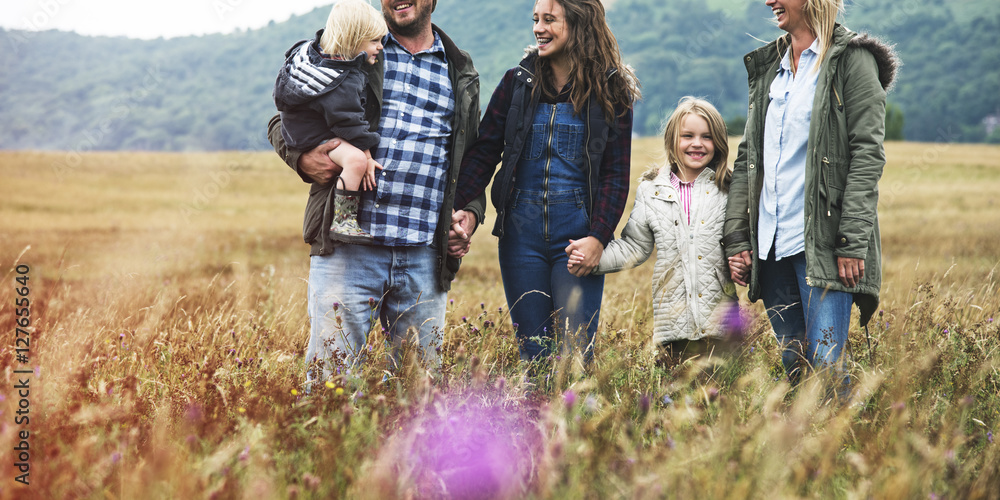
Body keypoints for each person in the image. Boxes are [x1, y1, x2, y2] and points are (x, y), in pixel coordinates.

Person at [267, 0, 485, 383]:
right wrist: (302, 158)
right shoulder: (354, 46)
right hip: (348, 251)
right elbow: (285, 117)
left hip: (423, 255)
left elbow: (470, 153)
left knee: (417, 395)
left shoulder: (459, 67)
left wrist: (470, 209)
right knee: (328, 386)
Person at [723, 0, 898, 397]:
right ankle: (803, 456)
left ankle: (839, 451)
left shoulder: (853, 62)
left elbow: (867, 155)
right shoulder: (772, 66)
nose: (770, 1)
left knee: (826, 366)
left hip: (823, 243)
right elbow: (749, 157)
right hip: (771, 245)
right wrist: (737, 240)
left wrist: (852, 241)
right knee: (795, 364)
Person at [452, 0, 640, 364]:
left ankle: (573, 422)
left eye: (550, 20)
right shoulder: (516, 83)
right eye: (536, 19)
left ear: (579, 24)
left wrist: (599, 237)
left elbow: (616, 175)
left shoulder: (610, 89)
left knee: (573, 358)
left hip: (577, 240)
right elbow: (485, 152)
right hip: (520, 239)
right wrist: (459, 208)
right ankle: (536, 420)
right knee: (534, 356)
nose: (539, 28)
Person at [568, 97, 737, 365]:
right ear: (672, 140)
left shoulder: (728, 189)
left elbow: (741, 243)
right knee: (676, 395)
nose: (697, 143)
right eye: (688, 136)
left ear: (718, 142)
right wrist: (593, 258)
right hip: (672, 324)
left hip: (722, 323)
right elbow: (634, 246)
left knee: (723, 394)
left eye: (707, 136)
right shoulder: (652, 191)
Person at [273, 0, 388, 244]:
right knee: (355, 160)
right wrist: (366, 155)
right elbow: (349, 123)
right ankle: (344, 220)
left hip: (298, 129)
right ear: (354, 39)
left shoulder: (310, 58)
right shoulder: (342, 80)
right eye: (374, 41)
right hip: (314, 136)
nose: (380, 47)